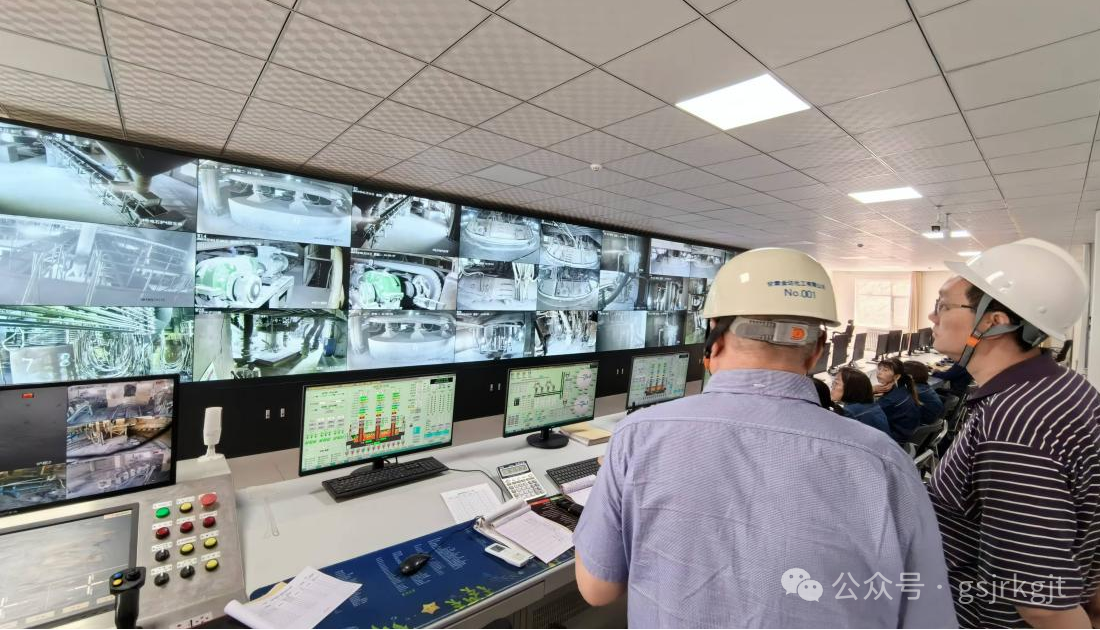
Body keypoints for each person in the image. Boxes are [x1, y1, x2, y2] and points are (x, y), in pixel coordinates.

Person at [572, 247, 955, 628]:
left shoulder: (637, 437)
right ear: (817, 351)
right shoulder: (884, 462)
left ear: (714, 335)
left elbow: (597, 591)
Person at [925, 238, 1100, 629]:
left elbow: (1041, 604)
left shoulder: (1015, 424)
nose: (932, 315)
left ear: (994, 322)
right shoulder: (1064, 387)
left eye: (943, 305)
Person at [874, 357, 922, 443]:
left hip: (895, 441)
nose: (879, 372)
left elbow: (869, 412)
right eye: (879, 368)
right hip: (905, 434)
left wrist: (870, 391)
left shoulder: (890, 400)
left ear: (897, 376)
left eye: (885, 370)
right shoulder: (902, 388)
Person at [831, 367, 890, 435]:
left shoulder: (849, 412)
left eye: (836, 383)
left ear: (850, 389)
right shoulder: (872, 405)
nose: (832, 386)